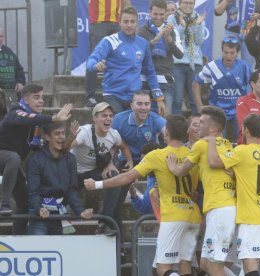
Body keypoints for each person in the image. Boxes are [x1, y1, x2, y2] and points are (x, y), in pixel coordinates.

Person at [84, 114, 201, 276]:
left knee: (162, 269)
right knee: (185, 267)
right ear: (186, 132)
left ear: (166, 132)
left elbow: (127, 176)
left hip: (173, 215)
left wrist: (98, 184)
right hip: (193, 215)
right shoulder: (194, 154)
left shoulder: (158, 155)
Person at [205, 113, 260, 276]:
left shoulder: (241, 151)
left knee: (250, 265)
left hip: (252, 217)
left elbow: (213, 162)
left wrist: (211, 142)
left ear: (244, 130)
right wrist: (239, 174)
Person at [166, 106, 236, 276]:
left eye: (202, 123)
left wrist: (172, 166)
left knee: (214, 265)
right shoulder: (228, 146)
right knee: (204, 263)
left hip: (221, 210)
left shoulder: (201, 145)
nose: (197, 126)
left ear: (212, 128)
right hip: (221, 209)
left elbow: (182, 171)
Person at [0, 84, 71, 234]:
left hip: (10, 164)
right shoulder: (15, 110)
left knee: (25, 202)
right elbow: (21, 119)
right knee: (14, 158)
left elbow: (39, 148)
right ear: (25, 100)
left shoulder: (36, 123)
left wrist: (68, 142)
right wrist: (53, 117)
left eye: (42, 97)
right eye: (36, 97)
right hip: (7, 158)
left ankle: (18, 241)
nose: (41, 101)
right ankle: (4, 204)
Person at [86, 6, 165, 115]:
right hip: (113, 95)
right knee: (117, 129)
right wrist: (95, 65)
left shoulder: (143, 43)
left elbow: (150, 71)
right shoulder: (110, 41)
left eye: (132, 22)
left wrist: (159, 97)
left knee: (135, 130)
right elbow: (91, 59)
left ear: (137, 22)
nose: (129, 25)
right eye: (126, 21)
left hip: (134, 98)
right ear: (120, 22)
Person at [69, 102, 133, 234]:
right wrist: (71, 137)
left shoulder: (113, 134)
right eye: (104, 116)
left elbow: (124, 147)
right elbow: (66, 147)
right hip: (73, 173)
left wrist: (130, 162)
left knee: (116, 177)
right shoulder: (84, 132)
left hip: (93, 172)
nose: (108, 119)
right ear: (95, 118)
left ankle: (105, 220)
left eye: (110, 116)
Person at [109, 91, 166, 238]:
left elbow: (168, 133)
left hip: (150, 159)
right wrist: (110, 163)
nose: (143, 107)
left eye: (147, 104)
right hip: (126, 159)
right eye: (139, 103)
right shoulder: (119, 119)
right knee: (115, 198)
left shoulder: (155, 119)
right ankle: (116, 236)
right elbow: (111, 144)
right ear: (131, 105)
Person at [27, 122, 93, 235]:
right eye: (57, 134)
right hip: (40, 214)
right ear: (47, 137)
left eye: (63, 133)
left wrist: (80, 211)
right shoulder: (35, 159)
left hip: (60, 213)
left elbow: (72, 189)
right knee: (39, 249)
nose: (61, 137)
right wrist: (39, 209)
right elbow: (33, 191)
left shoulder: (70, 159)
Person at [193, 37, 251, 142]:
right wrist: (199, 105)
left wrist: (250, 105)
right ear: (222, 51)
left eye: (232, 53)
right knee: (217, 143)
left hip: (238, 110)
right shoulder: (212, 66)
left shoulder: (244, 67)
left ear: (237, 53)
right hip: (217, 111)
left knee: (242, 141)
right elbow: (196, 82)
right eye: (226, 52)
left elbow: (253, 84)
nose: (228, 56)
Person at [139, 0, 183, 116]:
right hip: (145, 80)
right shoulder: (142, 30)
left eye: (161, 14)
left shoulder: (171, 30)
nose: (158, 17)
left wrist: (168, 38)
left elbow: (180, 55)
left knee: (165, 117)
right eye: (155, 14)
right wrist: (157, 38)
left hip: (165, 80)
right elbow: (139, 53)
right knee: (143, 117)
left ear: (166, 14)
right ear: (149, 12)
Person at [84, 0, 131, 108]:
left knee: (120, 59)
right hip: (98, 22)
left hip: (117, 22)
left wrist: (131, 14)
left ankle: (118, 93)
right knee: (94, 59)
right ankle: (90, 97)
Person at [167, 0, 206, 115]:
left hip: (195, 62)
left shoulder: (198, 17)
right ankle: (176, 129)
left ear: (194, 4)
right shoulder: (172, 18)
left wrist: (198, 24)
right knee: (177, 99)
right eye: (185, 2)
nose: (188, 5)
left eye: (191, 3)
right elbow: (174, 39)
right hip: (177, 62)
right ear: (179, 3)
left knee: (195, 100)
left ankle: (197, 127)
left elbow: (199, 41)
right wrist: (183, 26)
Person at [214, 0, 260, 67]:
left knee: (248, 65)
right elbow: (217, 12)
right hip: (231, 32)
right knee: (228, 60)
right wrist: (226, 1)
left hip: (249, 34)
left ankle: (246, 77)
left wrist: (258, 16)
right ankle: (228, 76)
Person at [0, 27, 25, 99]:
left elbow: (19, 70)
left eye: (1, 36)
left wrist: (20, 83)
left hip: (12, 93)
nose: (0, 39)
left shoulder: (9, 52)